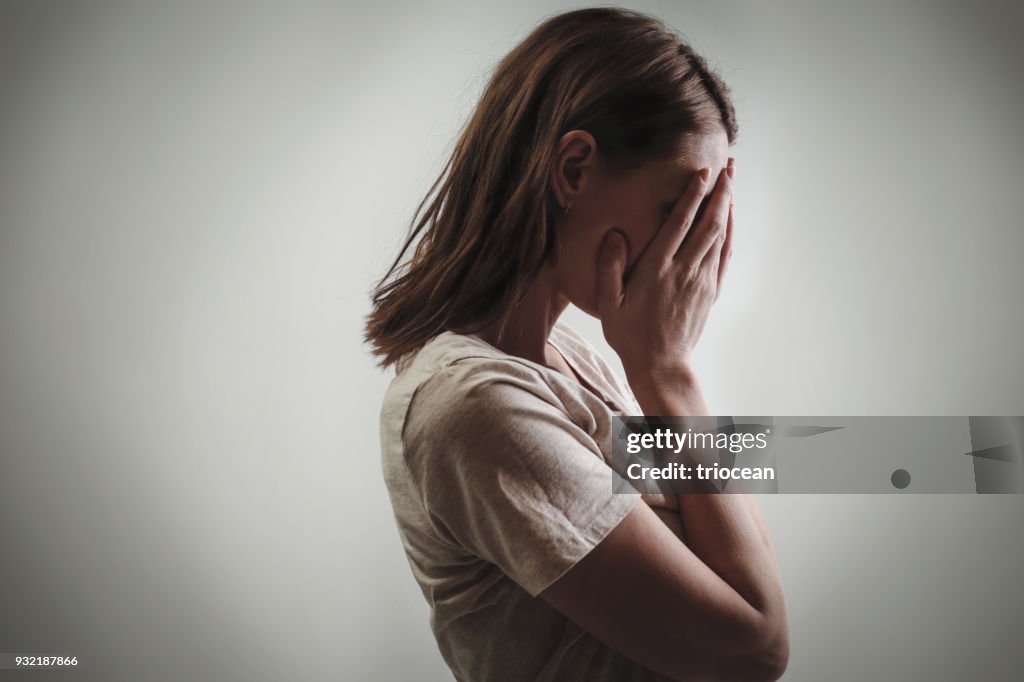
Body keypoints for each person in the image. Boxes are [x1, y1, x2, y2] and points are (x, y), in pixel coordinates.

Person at [365, 7, 788, 681]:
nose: (687, 248)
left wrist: (666, 374)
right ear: (573, 169)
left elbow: (745, 550)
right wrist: (668, 371)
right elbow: (754, 647)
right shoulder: (474, 406)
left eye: (704, 219)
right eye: (675, 209)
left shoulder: (580, 361)